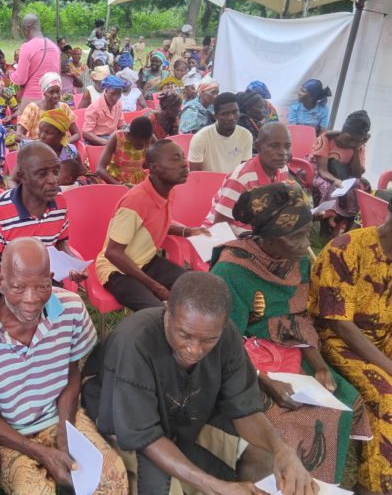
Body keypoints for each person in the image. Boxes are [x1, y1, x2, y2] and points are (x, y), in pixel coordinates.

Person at [81, 272, 318, 495]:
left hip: (186, 413)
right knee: (163, 485)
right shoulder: (134, 343)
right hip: (125, 424)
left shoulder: (227, 336)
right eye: (184, 335)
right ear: (167, 311)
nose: (194, 350)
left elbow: (245, 409)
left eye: (209, 339)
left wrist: (282, 449)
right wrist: (214, 485)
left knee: (264, 457)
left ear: (223, 326)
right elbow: (145, 436)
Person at [210, 182, 371, 484]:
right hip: (245, 363)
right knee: (292, 416)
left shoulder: (296, 264)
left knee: (345, 397)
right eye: (295, 236)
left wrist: (321, 367)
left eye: (307, 232)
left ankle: (319, 486)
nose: (304, 243)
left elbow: (297, 318)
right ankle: (278, 483)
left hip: (290, 352)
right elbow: (223, 344)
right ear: (264, 238)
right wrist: (266, 381)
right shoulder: (230, 271)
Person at [0, 238, 127, 494]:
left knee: (113, 479)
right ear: (0, 281)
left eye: (43, 286)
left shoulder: (72, 310)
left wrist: (65, 429)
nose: (32, 299)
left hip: (63, 415)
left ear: (52, 278)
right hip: (8, 434)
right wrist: (38, 451)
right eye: (18, 287)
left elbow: (73, 369)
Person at [310, 196, 392, 495]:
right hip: (339, 341)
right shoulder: (345, 249)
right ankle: (375, 485)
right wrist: (388, 366)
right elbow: (339, 323)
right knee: (387, 394)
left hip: (384, 337)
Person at [97, 141, 208, 311]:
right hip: (117, 270)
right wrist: (157, 287)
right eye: (175, 160)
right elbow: (113, 253)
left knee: (196, 288)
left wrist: (188, 231)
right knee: (158, 312)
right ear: (155, 168)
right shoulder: (135, 202)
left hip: (146, 261)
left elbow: (156, 222)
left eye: (183, 158)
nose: (185, 164)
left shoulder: (167, 191)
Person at [0, 143, 86, 296]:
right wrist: (2, 304)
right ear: (22, 177)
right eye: (42, 174)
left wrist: (71, 264)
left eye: (56, 172)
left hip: (41, 279)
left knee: (63, 315)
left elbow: (60, 243)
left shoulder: (60, 203)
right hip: (3, 283)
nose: (53, 180)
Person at [203, 122, 292, 234]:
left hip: (257, 228)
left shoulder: (282, 169)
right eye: (274, 146)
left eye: (287, 146)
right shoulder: (242, 178)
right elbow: (219, 225)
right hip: (225, 233)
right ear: (257, 146)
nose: (283, 153)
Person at [310, 110, 370, 234]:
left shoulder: (357, 145)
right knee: (330, 188)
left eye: (355, 141)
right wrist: (335, 180)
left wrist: (356, 148)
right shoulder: (326, 139)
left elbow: (357, 174)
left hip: (343, 176)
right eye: (349, 139)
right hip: (323, 174)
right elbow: (322, 170)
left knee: (363, 186)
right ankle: (327, 223)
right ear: (343, 130)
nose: (350, 143)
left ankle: (345, 225)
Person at [187, 92, 252, 174]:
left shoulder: (246, 135)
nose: (231, 117)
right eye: (225, 114)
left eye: (235, 112)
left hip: (234, 185)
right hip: (207, 185)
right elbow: (195, 176)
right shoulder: (200, 138)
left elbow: (244, 171)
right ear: (215, 116)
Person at [9, 14, 61, 105]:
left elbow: (20, 79)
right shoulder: (54, 46)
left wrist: (10, 73)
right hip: (52, 97)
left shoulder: (27, 47)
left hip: (33, 98)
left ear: (26, 29)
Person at [17, 72, 80, 143]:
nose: (55, 95)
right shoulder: (33, 108)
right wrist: (38, 144)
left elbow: (77, 134)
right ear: (44, 93)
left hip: (60, 150)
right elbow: (18, 135)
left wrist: (64, 144)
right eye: (51, 92)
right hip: (38, 150)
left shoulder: (64, 108)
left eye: (58, 92)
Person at [96, 116, 154, 185]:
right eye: (139, 144)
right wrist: (121, 186)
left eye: (146, 143)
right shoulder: (117, 137)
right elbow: (100, 169)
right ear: (130, 135)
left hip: (138, 181)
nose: (143, 146)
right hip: (115, 180)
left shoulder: (150, 138)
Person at [82, 75, 127, 146]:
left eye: (119, 94)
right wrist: (106, 142)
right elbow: (86, 133)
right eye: (112, 94)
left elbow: (121, 124)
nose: (115, 98)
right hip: (96, 139)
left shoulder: (118, 104)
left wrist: (128, 130)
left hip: (111, 137)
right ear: (106, 91)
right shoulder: (94, 108)